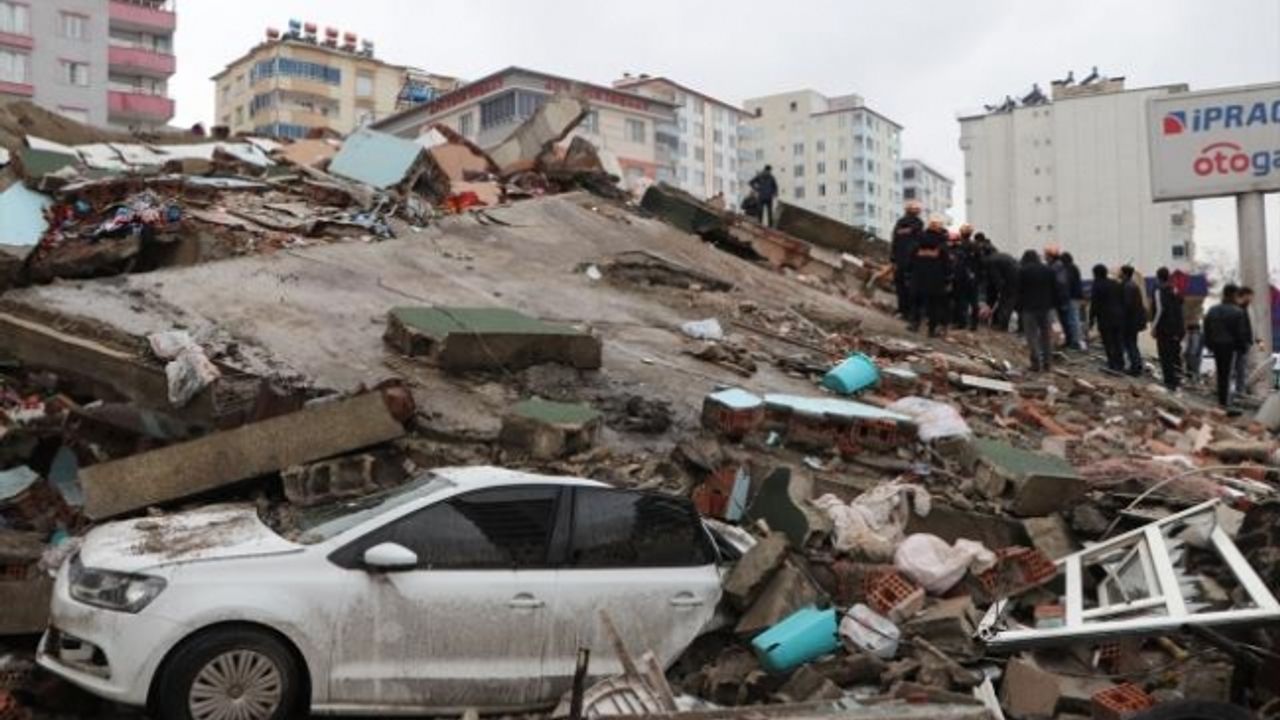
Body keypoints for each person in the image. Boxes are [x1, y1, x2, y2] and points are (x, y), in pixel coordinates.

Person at [1204, 284, 1250, 412]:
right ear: (1234, 295)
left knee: (1221, 373)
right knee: (1228, 374)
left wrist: (1209, 344)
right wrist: (1243, 347)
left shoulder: (1213, 310)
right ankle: (1225, 403)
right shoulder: (1237, 312)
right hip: (1230, 346)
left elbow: (1206, 328)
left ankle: (1221, 401)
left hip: (1216, 345)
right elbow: (1239, 332)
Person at [1015, 249, 1062, 372]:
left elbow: (1019, 291)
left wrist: (1018, 307)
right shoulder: (1049, 270)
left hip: (1029, 308)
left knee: (1032, 336)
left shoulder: (1023, 271)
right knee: (1046, 336)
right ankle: (1047, 363)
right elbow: (1055, 289)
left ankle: (1036, 363)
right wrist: (1055, 305)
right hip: (1046, 308)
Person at [907, 217, 951, 338]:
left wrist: (909, 273)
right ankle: (931, 330)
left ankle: (914, 324)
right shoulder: (942, 244)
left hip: (918, 276)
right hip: (936, 279)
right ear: (939, 228)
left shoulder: (918, 240)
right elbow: (947, 264)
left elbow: (910, 258)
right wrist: (948, 278)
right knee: (934, 305)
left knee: (917, 301)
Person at [1150, 267, 1185, 391]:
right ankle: (1178, 379)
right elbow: (1180, 306)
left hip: (1165, 328)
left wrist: (1153, 327)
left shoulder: (1159, 290)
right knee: (1175, 354)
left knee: (1165, 355)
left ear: (1158, 277)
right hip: (1177, 328)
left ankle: (1169, 381)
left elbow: (1159, 310)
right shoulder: (1174, 289)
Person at [1089, 264, 1126, 372]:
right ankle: (1120, 363)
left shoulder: (1097, 285)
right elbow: (1122, 299)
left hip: (1105, 318)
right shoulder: (1115, 283)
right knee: (1118, 341)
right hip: (1119, 316)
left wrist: (1091, 319)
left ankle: (1112, 364)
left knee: (1108, 342)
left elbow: (1094, 304)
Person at [890, 201, 924, 319]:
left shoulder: (910, 223)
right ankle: (906, 311)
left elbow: (896, 239)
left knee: (904, 286)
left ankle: (905, 311)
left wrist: (893, 258)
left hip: (906, 260)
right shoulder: (912, 223)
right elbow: (896, 239)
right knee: (905, 286)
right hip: (907, 260)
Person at [979, 237, 1018, 331]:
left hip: (1009, 284)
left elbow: (996, 279)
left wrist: (1000, 291)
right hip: (1016, 281)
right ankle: (1004, 325)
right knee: (1013, 304)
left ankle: (1002, 326)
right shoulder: (1002, 255)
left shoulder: (991, 261)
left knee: (1005, 304)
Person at [1045, 246, 1080, 350]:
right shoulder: (1058, 267)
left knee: (1070, 320)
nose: (1045, 258)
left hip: (1065, 298)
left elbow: (1062, 284)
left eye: (1046, 256)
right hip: (1064, 298)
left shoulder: (1058, 267)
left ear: (1051, 256)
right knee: (1066, 320)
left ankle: (1074, 341)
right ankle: (1070, 340)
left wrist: (1062, 299)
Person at [949, 224, 980, 330]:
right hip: (973, 277)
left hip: (961, 277)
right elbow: (980, 261)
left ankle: (962, 323)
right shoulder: (975, 246)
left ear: (961, 233)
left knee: (961, 301)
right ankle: (974, 324)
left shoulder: (959, 246)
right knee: (974, 301)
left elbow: (956, 263)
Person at [1119, 265, 1147, 376]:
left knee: (1130, 344)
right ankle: (1137, 365)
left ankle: (1135, 367)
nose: (1119, 274)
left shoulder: (1127, 287)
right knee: (1133, 343)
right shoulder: (1133, 285)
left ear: (1125, 274)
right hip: (1134, 320)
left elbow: (1127, 305)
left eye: (1121, 272)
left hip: (1129, 321)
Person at [1233, 286, 1256, 398]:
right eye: (1250, 296)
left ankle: (1240, 391)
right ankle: (1235, 391)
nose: (1251, 298)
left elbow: (1252, 326)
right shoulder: (1236, 308)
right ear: (1245, 295)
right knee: (1235, 368)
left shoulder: (1248, 309)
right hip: (1236, 344)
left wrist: (1253, 340)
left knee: (1242, 368)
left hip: (1245, 343)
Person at [1062, 252, 1086, 350]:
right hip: (1076, 296)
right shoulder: (1074, 268)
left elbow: (1068, 283)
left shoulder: (1069, 269)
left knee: (1073, 319)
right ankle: (1076, 339)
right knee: (1074, 319)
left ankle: (1076, 340)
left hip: (1072, 297)